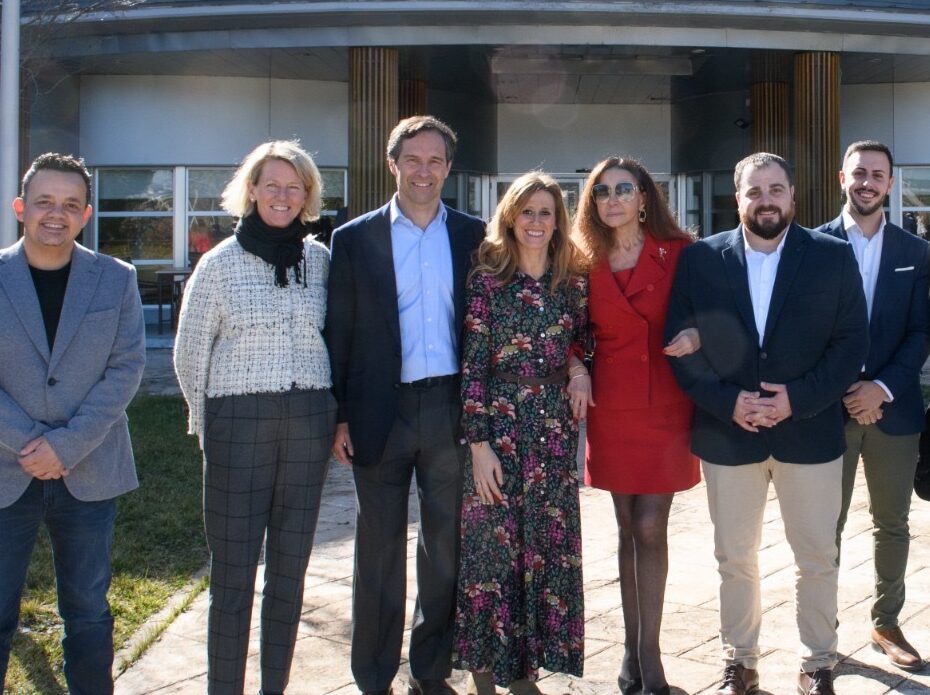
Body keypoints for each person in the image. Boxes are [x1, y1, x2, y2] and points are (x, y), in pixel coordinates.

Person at [665, 152, 869, 695]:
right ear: (738, 199)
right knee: (735, 557)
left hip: (810, 431)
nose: (766, 200)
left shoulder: (832, 257)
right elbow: (681, 347)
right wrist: (727, 401)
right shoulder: (701, 260)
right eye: (755, 191)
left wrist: (797, 399)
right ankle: (742, 659)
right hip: (729, 434)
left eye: (776, 189)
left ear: (793, 196)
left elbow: (852, 345)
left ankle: (818, 662)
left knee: (817, 557)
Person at [325, 115, 486, 695]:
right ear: (392, 164)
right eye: (412, 160)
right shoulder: (354, 238)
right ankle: (372, 674)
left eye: (435, 160)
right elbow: (338, 332)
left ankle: (430, 669)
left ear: (448, 167)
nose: (424, 171)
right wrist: (340, 414)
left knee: (445, 546)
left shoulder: (474, 236)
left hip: (448, 409)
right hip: (377, 414)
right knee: (379, 548)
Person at [174, 140, 336, 695]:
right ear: (250, 190)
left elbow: (334, 339)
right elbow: (189, 351)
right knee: (234, 576)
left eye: (295, 187)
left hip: (309, 420)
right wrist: (207, 427)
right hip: (237, 423)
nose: (283, 196)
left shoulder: (320, 261)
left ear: (308, 196)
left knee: (289, 574)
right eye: (272, 185)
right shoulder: (218, 264)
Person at [0, 153, 146, 694]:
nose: (55, 214)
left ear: (86, 214)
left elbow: (127, 368)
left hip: (90, 469)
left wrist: (66, 446)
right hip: (5, 467)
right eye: (44, 202)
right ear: (21, 208)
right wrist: (33, 444)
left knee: (87, 607)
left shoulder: (116, 279)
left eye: (69, 204)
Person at [452, 172, 589, 695]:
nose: (536, 221)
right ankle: (485, 669)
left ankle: (524, 671)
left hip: (553, 434)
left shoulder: (572, 282)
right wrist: (480, 446)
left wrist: (579, 370)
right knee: (492, 552)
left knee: (543, 552)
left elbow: (583, 345)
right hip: (500, 429)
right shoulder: (487, 281)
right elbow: (472, 368)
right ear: (510, 217)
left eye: (546, 212)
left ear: (558, 222)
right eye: (527, 211)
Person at [573, 157, 700, 695]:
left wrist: (699, 335)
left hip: (666, 408)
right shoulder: (581, 260)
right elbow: (569, 331)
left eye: (625, 189)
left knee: (650, 526)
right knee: (626, 527)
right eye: (603, 192)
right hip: (613, 408)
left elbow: (716, 312)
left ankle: (649, 664)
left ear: (645, 197)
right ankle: (631, 655)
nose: (614, 198)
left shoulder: (684, 253)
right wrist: (576, 363)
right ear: (594, 203)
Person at [815, 140, 930, 672]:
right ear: (843, 177)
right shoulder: (811, 247)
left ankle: (886, 622)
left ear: (890, 183)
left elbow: (920, 331)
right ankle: (823, 634)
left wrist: (880, 389)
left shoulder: (915, 252)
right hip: (828, 412)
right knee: (824, 526)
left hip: (894, 410)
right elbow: (808, 336)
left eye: (877, 175)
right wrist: (846, 390)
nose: (867, 182)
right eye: (858, 173)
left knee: (892, 523)